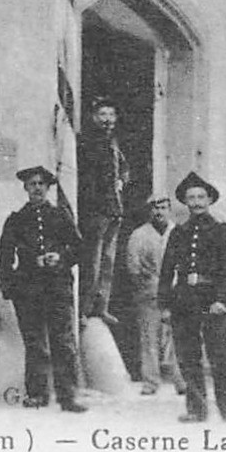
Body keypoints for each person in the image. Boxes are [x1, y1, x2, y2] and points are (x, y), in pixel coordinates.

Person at [0, 165, 86, 413]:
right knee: (35, 343)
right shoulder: (16, 220)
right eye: (32, 184)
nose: (36, 188)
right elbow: (5, 257)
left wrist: (60, 257)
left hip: (57, 288)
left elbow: (79, 248)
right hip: (28, 290)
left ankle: (67, 396)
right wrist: (11, 287)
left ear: (48, 188)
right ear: (25, 188)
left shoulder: (60, 216)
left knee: (63, 341)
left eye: (41, 184)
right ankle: (37, 394)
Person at [159, 172, 226, 424]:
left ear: (209, 200)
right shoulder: (178, 233)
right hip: (184, 299)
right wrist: (164, 305)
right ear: (185, 201)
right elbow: (166, 272)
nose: (196, 202)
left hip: (212, 300)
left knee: (221, 357)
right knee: (188, 356)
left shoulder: (221, 231)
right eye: (191, 197)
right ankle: (196, 408)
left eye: (201, 197)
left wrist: (223, 300)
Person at [123, 190, 185, 396]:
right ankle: (151, 381)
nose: (159, 211)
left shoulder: (179, 232)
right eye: (155, 207)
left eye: (163, 207)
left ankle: (181, 380)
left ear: (169, 209)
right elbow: (133, 266)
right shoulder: (139, 234)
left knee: (178, 338)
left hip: (176, 293)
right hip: (149, 293)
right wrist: (147, 283)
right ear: (150, 210)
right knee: (149, 339)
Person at [77, 96, 130, 325]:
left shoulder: (113, 143)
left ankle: (101, 306)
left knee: (108, 262)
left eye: (111, 115)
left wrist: (121, 180)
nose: (107, 119)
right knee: (92, 262)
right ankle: (84, 309)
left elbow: (125, 168)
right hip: (96, 211)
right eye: (103, 115)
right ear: (93, 117)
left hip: (113, 210)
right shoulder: (88, 143)